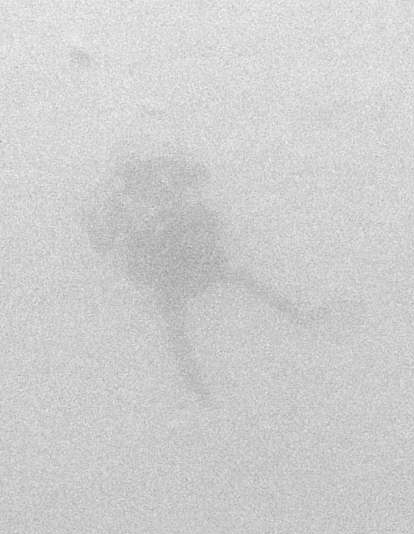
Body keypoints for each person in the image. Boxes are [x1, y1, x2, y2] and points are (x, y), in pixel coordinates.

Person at [84, 152, 322, 400]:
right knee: (181, 324)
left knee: (185, 321)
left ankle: (199, 389)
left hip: (186, 264)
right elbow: (103, 244)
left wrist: (177, 172)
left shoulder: (159, 179)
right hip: (174, 270)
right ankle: (198, 390)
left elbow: (199, 176)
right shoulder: (123, 200)